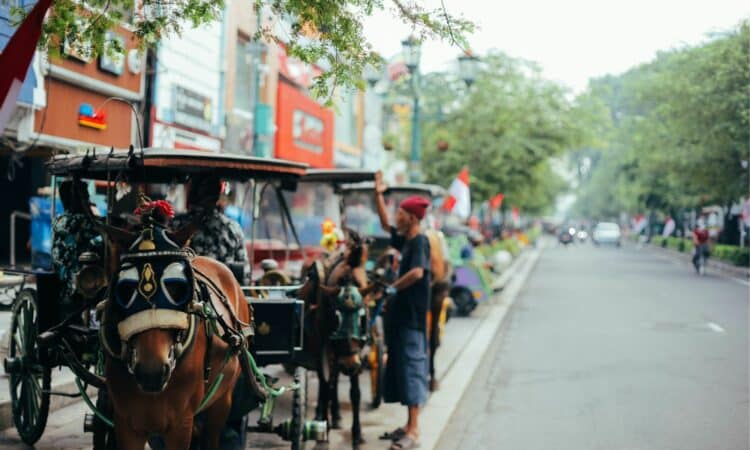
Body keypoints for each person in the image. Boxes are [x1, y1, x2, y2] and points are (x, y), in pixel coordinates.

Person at [374, 171, 431, 450]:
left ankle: (415, 431)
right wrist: (378, 194)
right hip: (399, 319)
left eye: (400, 212)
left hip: (412, 320)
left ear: (412, 217)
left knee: (411, 369)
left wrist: (392, 288)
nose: (396, 215)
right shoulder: (406, 240)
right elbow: (385, 224)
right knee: (399, 369)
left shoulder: (420, 241)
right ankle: (407, 425)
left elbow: (418, 272)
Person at [171, 176, 247, 281]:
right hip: (224, 291)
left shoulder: (176, 225)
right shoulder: (233, 228)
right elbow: (245, 274)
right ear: (217, 195)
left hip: (187, 290)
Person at [51, 180, 103, 316]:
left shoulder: (59, 219)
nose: (88, 199)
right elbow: (102, 237)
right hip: (77, 282)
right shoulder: (82, 221)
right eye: (86, 196)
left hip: (60, 280)